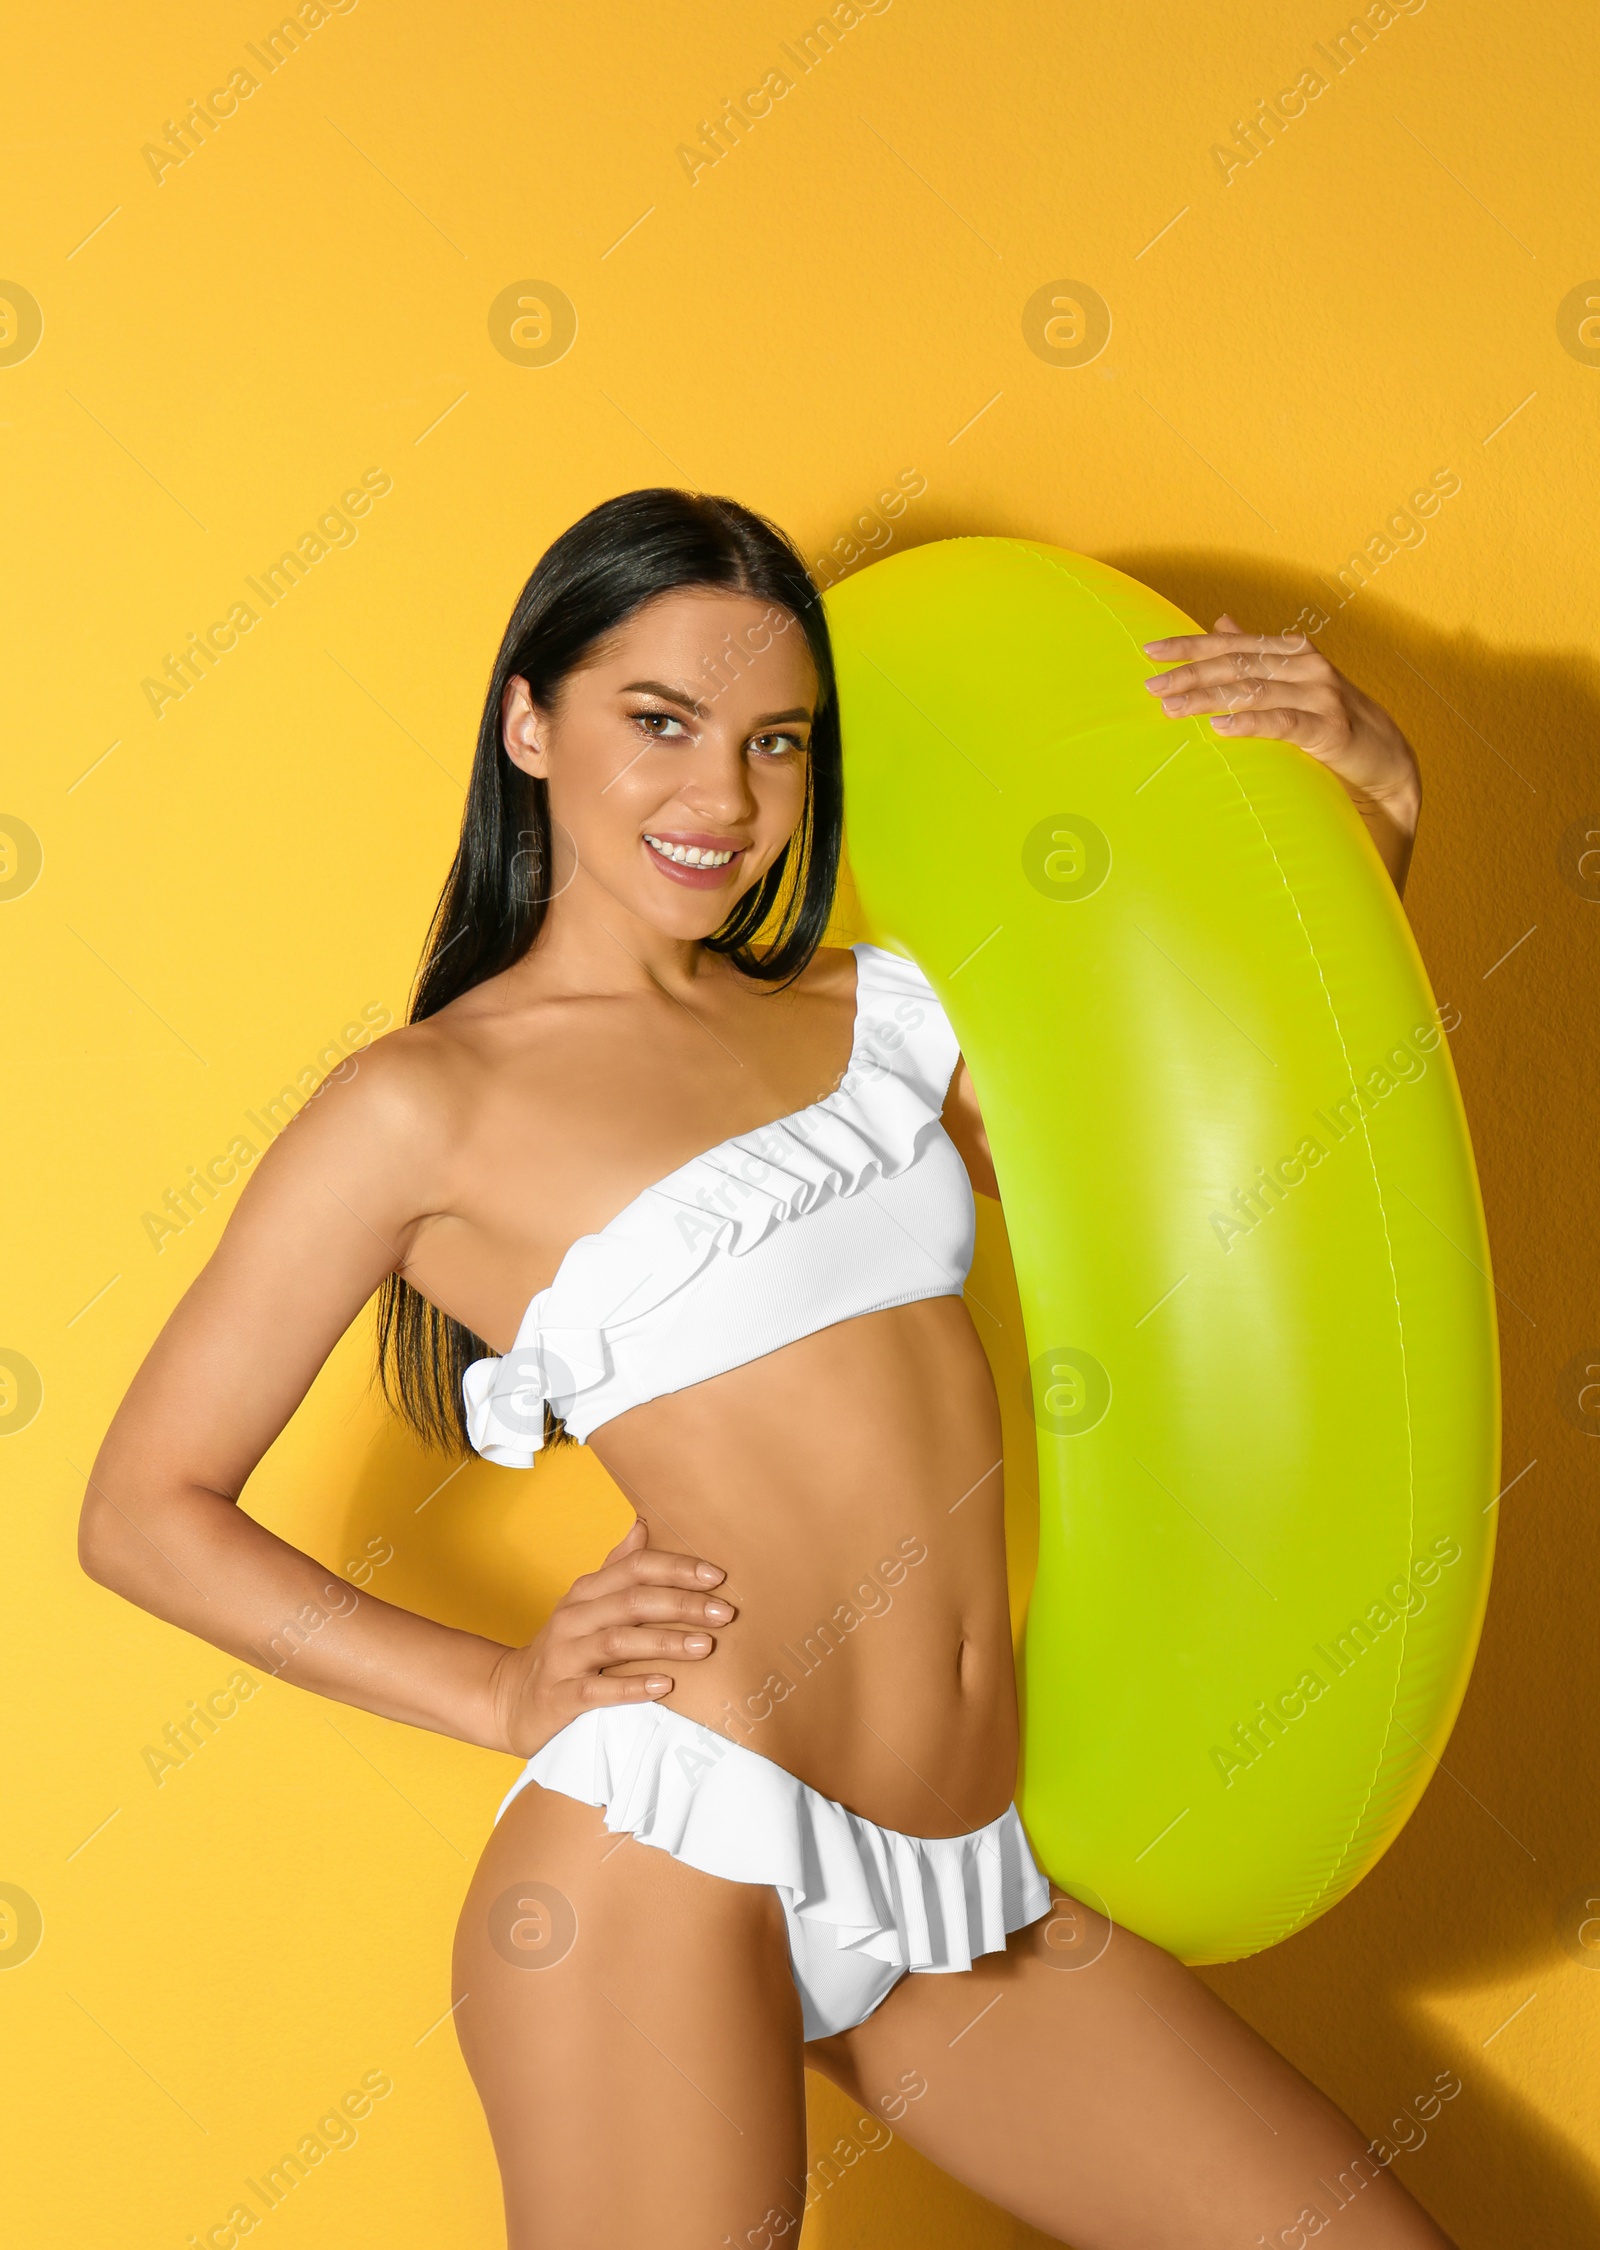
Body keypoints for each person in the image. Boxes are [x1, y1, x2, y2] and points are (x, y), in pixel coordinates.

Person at [79, 488, 1451, 2250]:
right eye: (660, 723)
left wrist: (1382, 812)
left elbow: (1227, 1157)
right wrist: (503, 1697)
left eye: (773, 742)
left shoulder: (877, 1015)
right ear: (528, 721)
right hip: (673, 1846)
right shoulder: (423, 1105)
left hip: (972, 1882)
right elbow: (141, 1510)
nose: (721, 799)